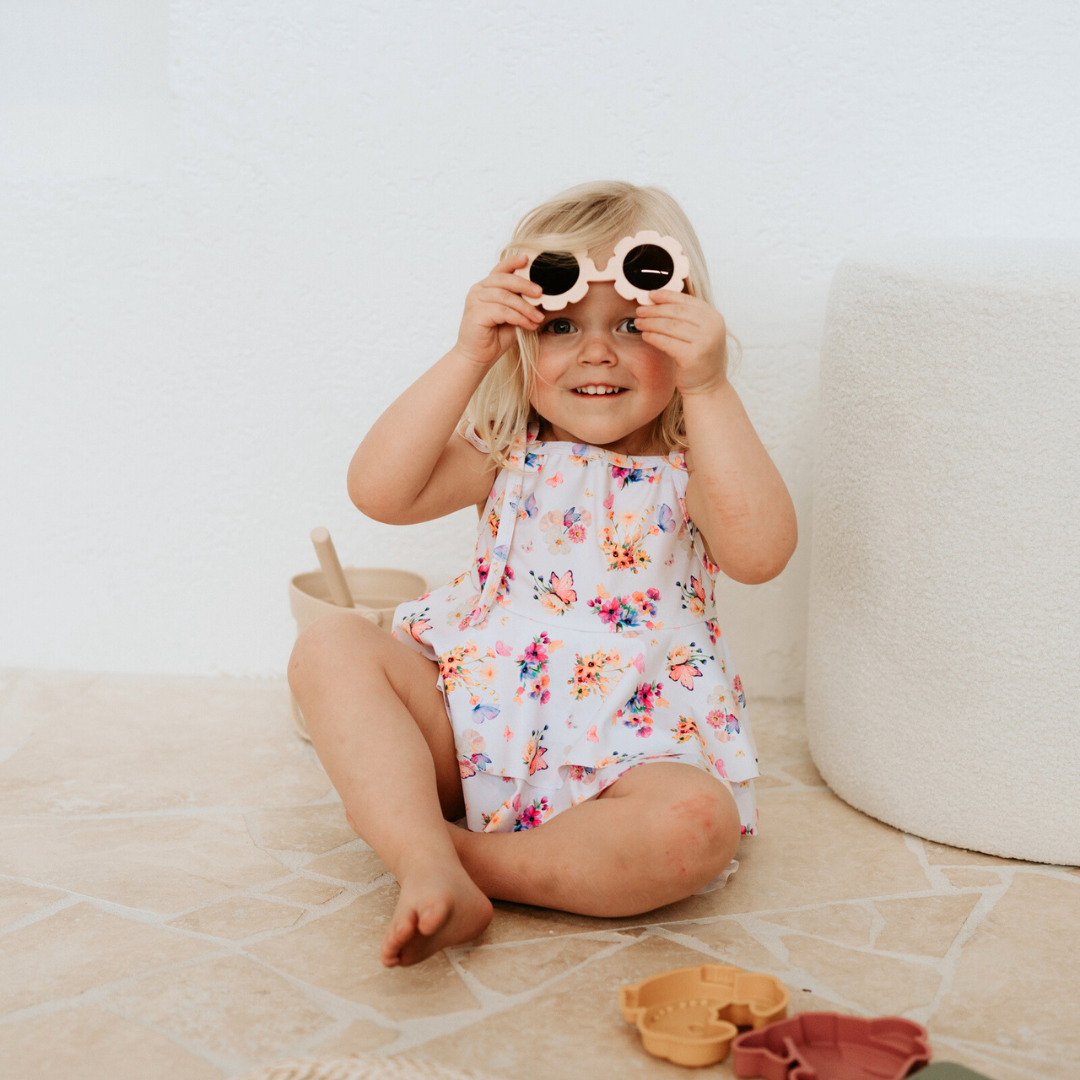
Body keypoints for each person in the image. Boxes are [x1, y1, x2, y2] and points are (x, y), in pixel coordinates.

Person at [288, 181, 797, 969]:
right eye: (561, 326)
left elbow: (761, 554)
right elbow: (378, 493)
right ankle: (423, 858)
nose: (598, 351)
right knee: (333, 646)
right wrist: (470, 353)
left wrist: (710, 387)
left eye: (633, 323)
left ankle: (456, 858)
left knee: (696, 825)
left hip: (632, 751)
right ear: (524, 339)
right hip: (473, 729)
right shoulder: (508, 451)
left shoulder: (695, 461)